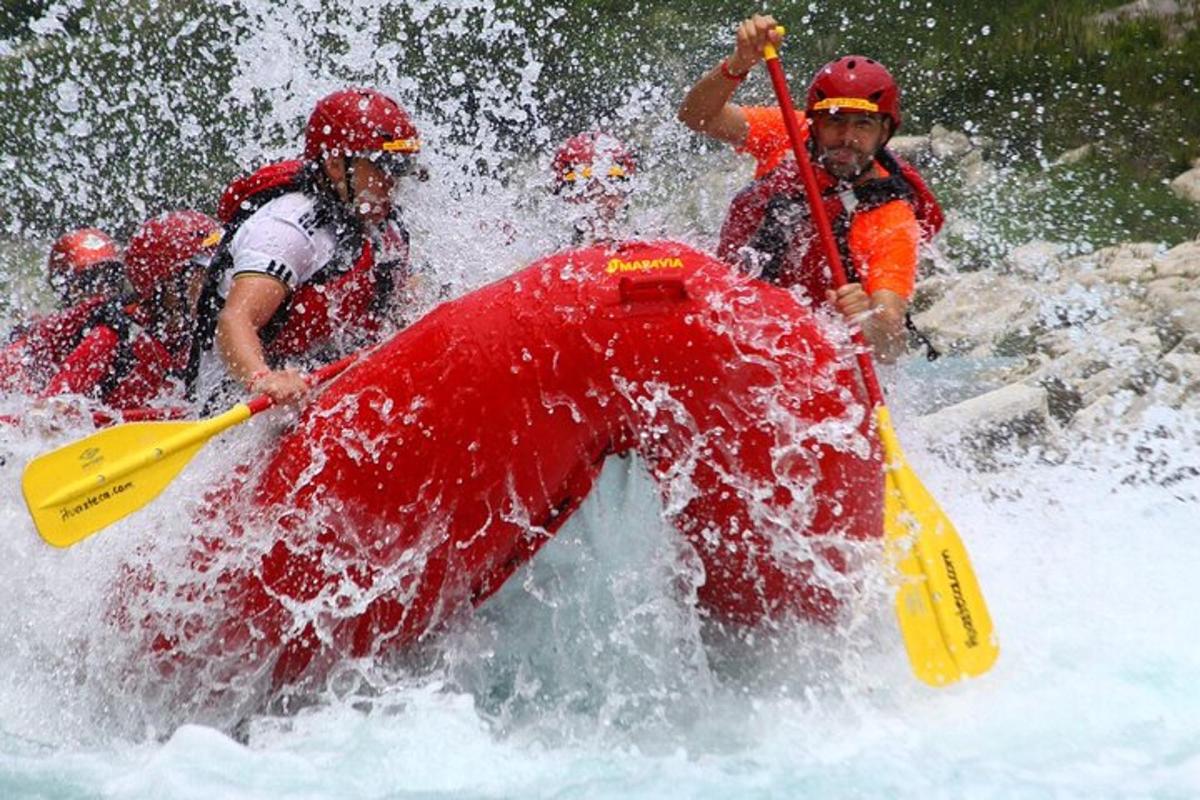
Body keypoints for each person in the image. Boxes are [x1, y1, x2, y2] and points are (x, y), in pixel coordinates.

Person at [677, 14, 943, 363]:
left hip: (812, 348)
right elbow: (697, 117)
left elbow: (890, 342)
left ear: (885, 133)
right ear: (814, 123)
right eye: (835, 121)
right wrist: (738, 64)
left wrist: (866, 320)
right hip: (736, 311)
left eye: (863, 124)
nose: (848, 137)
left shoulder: (890, 216)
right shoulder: (789, 130)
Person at [186, 87, 423, 406]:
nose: (394, 180)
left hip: (320, 379)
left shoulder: (383, 224)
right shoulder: (288, 227)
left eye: (402, 167)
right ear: (336, 165)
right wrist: (263, 379)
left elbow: (406, 302)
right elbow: (235, 321)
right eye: (384, 165)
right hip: (236, 400)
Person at [35, 210, 222, 411]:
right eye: (204, 275)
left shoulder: (210, 334)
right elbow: (44, 414)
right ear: (165, 282)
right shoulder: (113, 338)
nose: (217, 284)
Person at [551, 131, 637, 247]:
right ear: (565, 195)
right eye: (585, 184)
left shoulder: (657, 256)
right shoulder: (549, 262)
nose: (599, 195)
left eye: (613, 179)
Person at [46, 228, 127, 308]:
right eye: (89, 279)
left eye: (112, 278)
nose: (104, 289)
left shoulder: (130, 315)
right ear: (65, 288)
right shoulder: (59, 320)